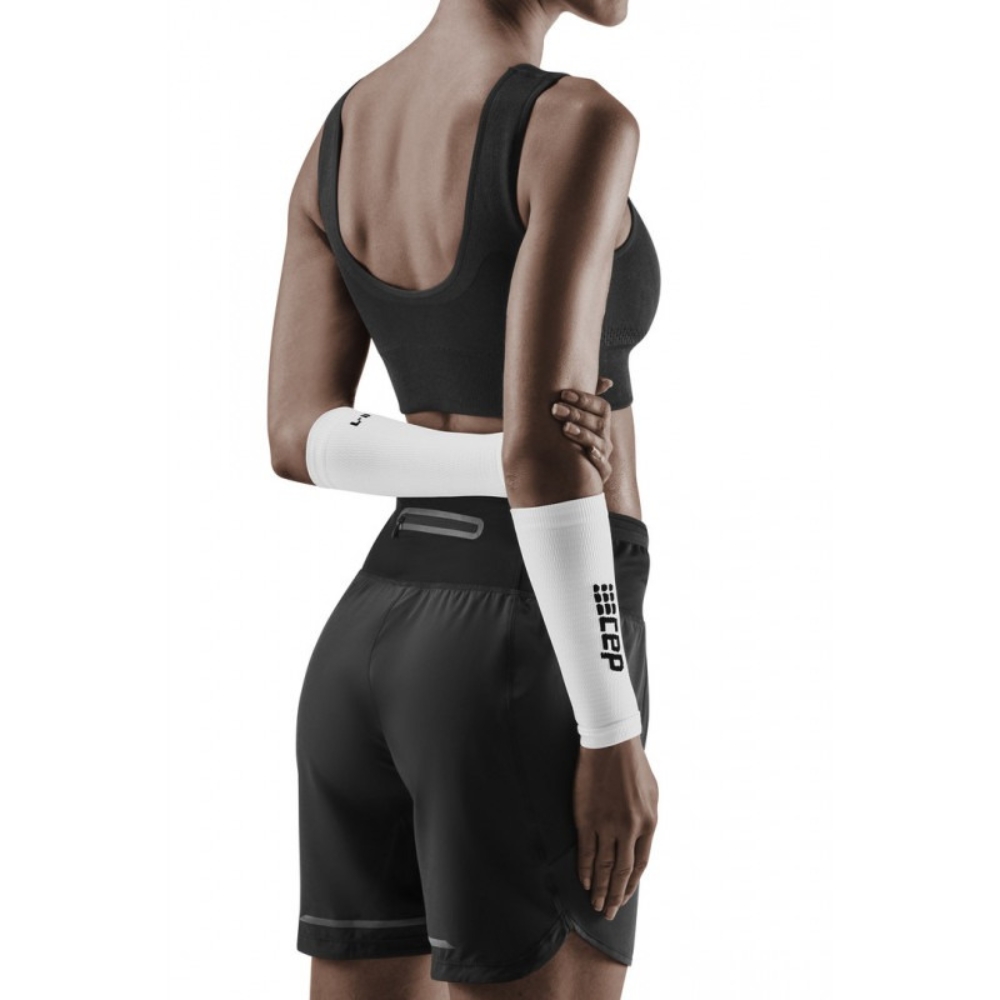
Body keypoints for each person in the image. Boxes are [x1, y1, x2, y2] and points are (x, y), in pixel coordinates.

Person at [267, 1, 662, 997]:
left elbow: (298, 436)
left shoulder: (342, 133)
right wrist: (610, 728)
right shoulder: (578, 123)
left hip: (368, 636)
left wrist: (503, 460)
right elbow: (546, 455)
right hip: (528, 638)